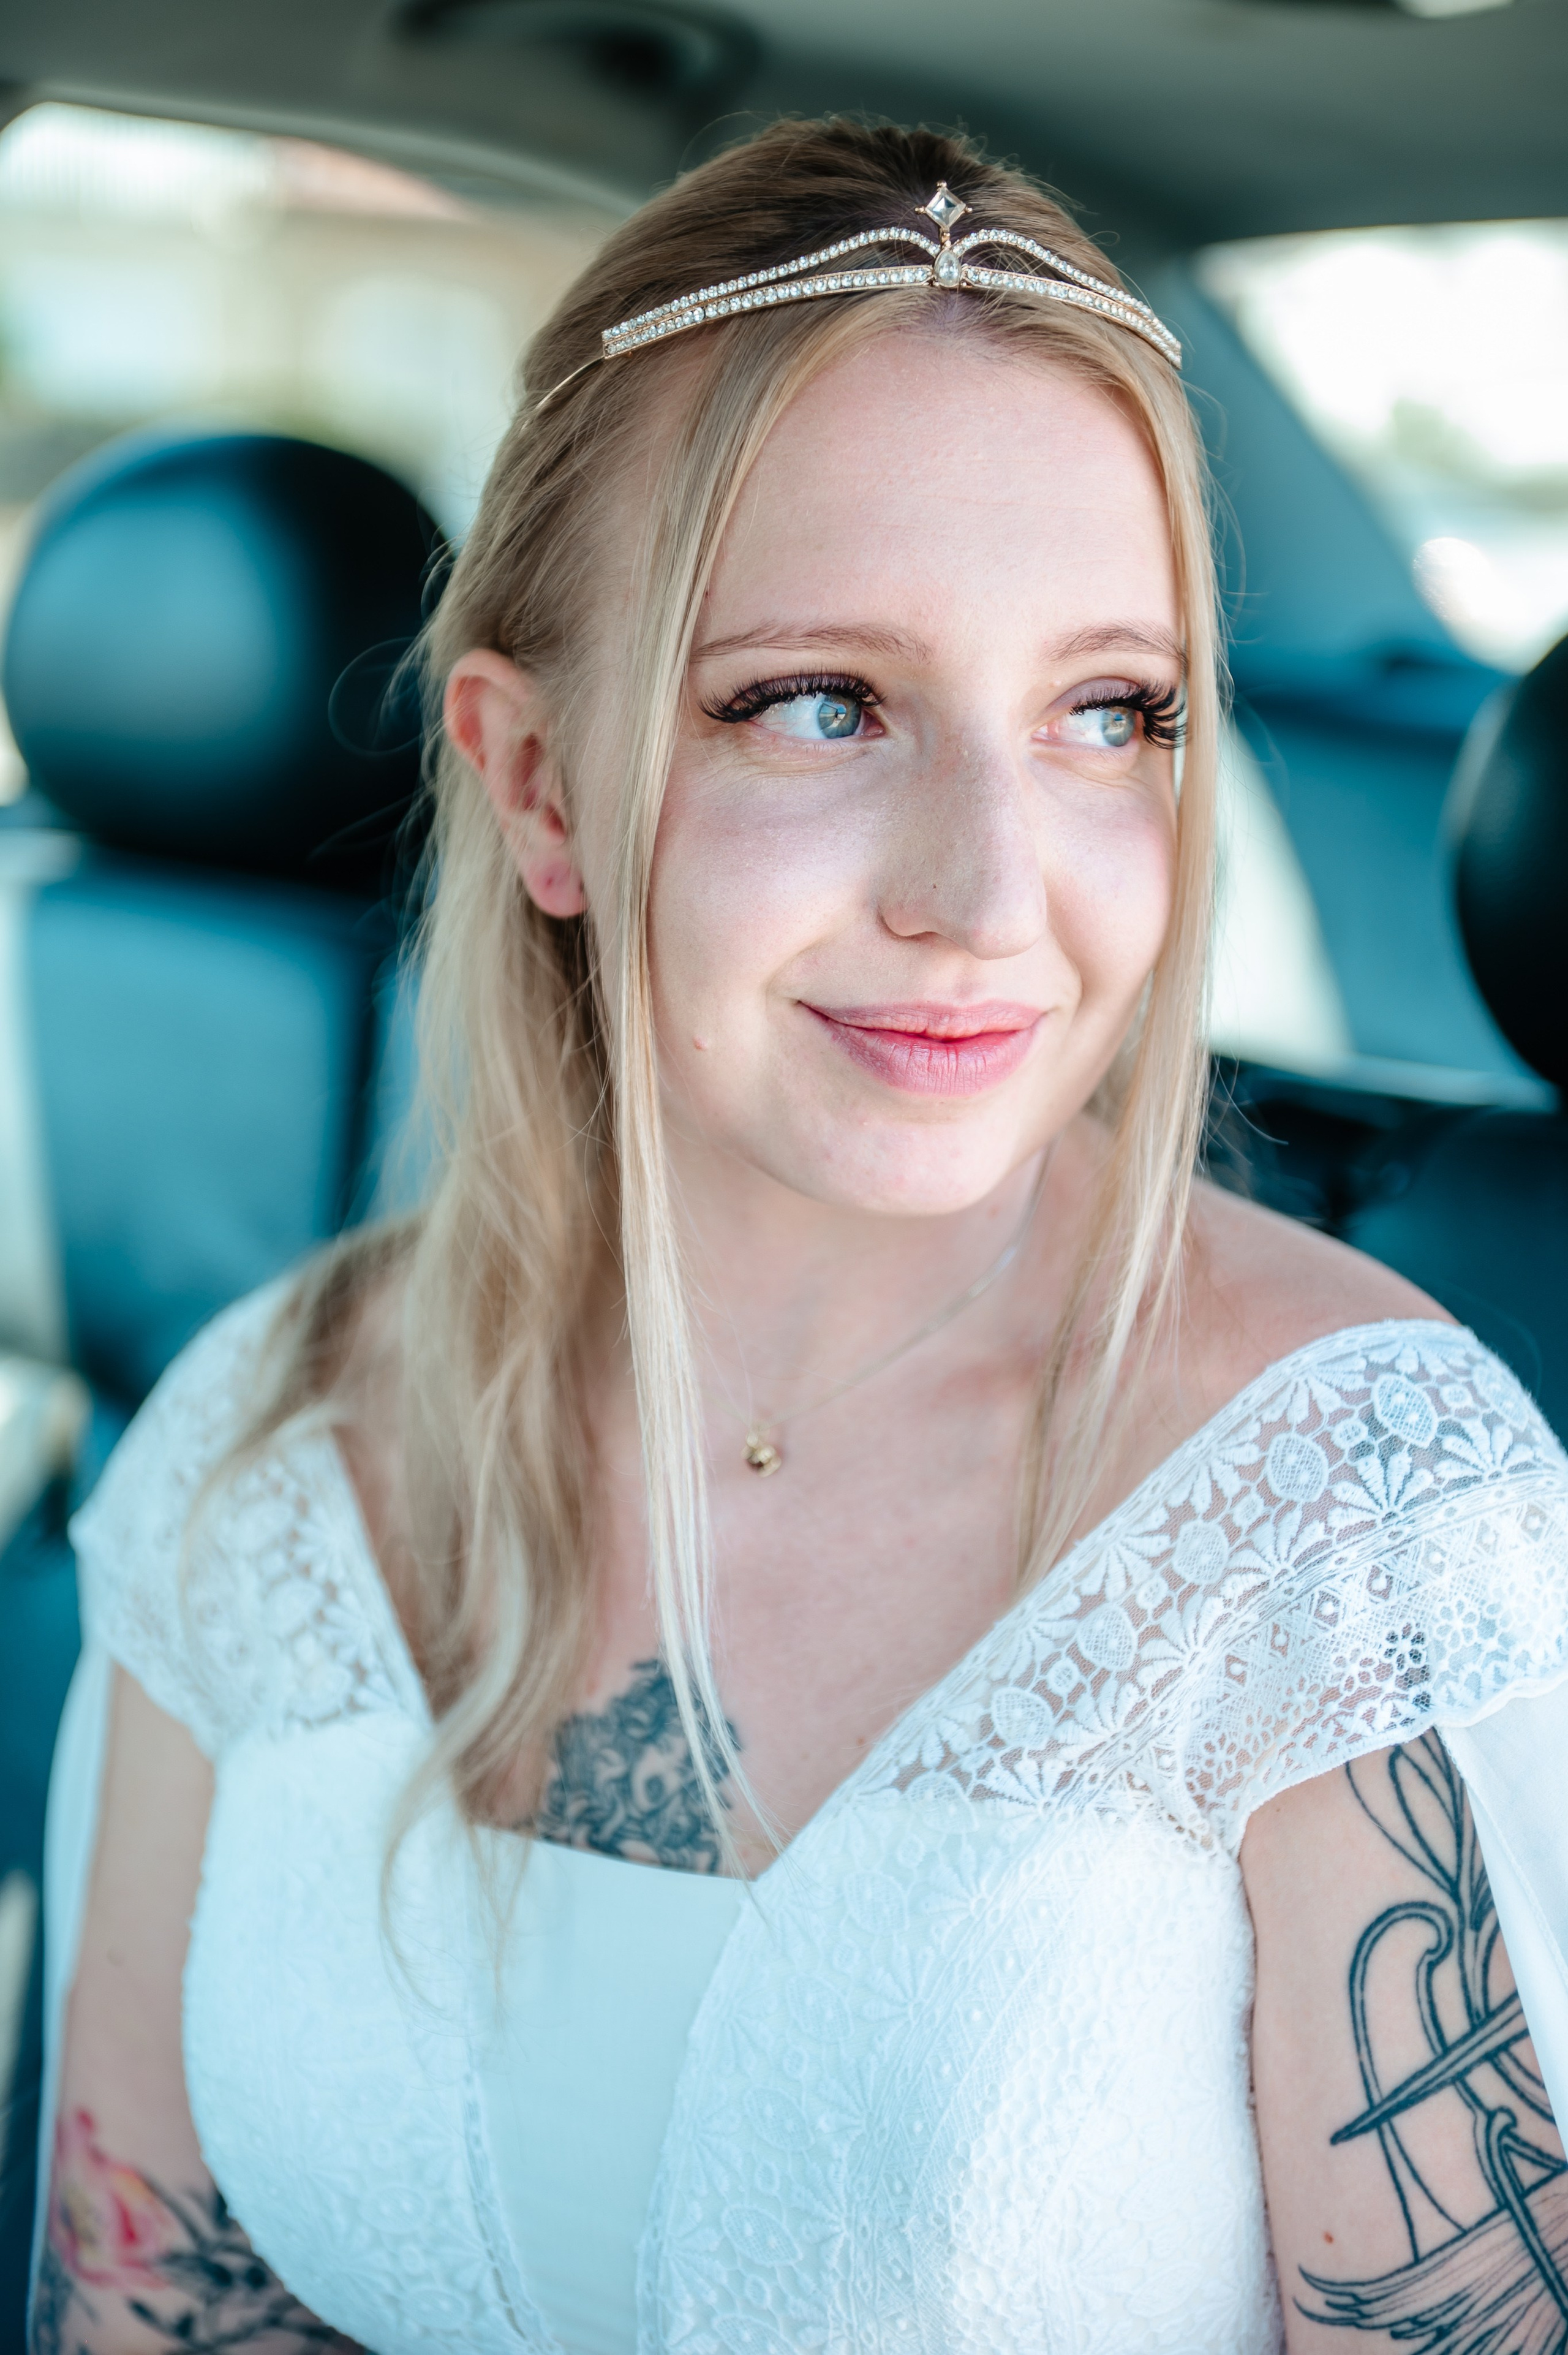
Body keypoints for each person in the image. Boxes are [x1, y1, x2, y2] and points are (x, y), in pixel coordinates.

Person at [29, 116, 1568, 2355]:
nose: (986, 888)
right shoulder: (268, 1438)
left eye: (1105, 714)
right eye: (822, 704)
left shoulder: (1351, 1522)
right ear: (539, 784)